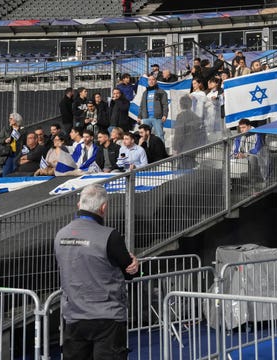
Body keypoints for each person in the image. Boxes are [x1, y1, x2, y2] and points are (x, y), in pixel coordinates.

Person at [54, 183, 139, 359]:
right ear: (103, 207)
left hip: (73, 315)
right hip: (107, 317)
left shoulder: (61, 235)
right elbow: (131, 272)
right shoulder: (110, 236)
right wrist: (136, 266)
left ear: (79, 205)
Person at [232, 119, 267, 190]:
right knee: (230, 160)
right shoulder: (239, 136)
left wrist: (245, 154)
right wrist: (237, 154)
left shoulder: (257, 134)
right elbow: (235, 149)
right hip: (243, 156)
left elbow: (257, 149)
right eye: (240, 128)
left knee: (252, 158)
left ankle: (253, 182)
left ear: (249, 126)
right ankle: (233, 184)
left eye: (243, 127)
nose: (242, 130)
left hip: (256, 156)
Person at [174, 95, 206, 167]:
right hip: (194, 146)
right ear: (191, 105)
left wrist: (176, 147)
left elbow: (179, 133)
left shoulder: (180, 116)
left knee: (183, 170)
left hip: (183, 147)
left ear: (180, 105)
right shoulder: (196, 116)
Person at [138, 76, 168, 143]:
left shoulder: (161, 92)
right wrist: (139, 116)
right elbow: (142, 105)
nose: (151, 81)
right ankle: (147, 152)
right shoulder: (145, 93)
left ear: (156, 81)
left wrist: (165, 115)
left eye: (153, 79)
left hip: (157, 117)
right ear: (148, 81)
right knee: (145, 136)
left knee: (160, 135)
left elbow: (165, 105)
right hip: (146, 117)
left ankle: (161, 152)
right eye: (149, 80)